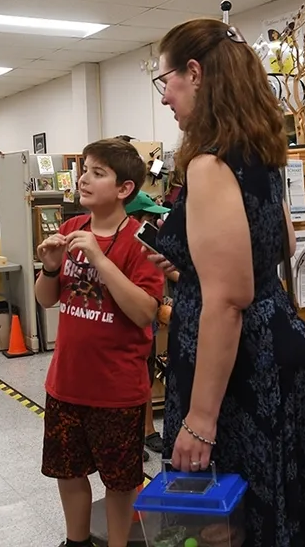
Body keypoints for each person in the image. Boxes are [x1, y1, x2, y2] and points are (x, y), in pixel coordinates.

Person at [147, 18, 305, 547]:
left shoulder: (208, 164)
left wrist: (200, 419)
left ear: (194, 74)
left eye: (166, 82)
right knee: (280, 497)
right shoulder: (265, 154)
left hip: (238, 361)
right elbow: (281, 246)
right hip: (280, 338)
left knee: (226, 512)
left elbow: (228, 300)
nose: (164, 99)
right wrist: (196, 267)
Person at [35, 138, 164, 547]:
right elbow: (45, 298)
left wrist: (100, 260)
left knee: (120, 479)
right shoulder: (72, 228)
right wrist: (51, 268)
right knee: (68, 471)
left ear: (124, 189)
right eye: (84, 170)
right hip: (67, 382)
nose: (83, 179)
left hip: (117, 389)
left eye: (97, 172)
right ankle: (76, 541)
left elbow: (145, 312)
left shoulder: (142, 240)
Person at [125, 190, 174, 459]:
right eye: (147, 218)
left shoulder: (151, 246)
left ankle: (146, 431)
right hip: (128, 324)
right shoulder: (120, 248)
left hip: (150, 321)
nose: (153, 224)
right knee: (130, 378)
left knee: (146, 375)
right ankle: (131, 435)